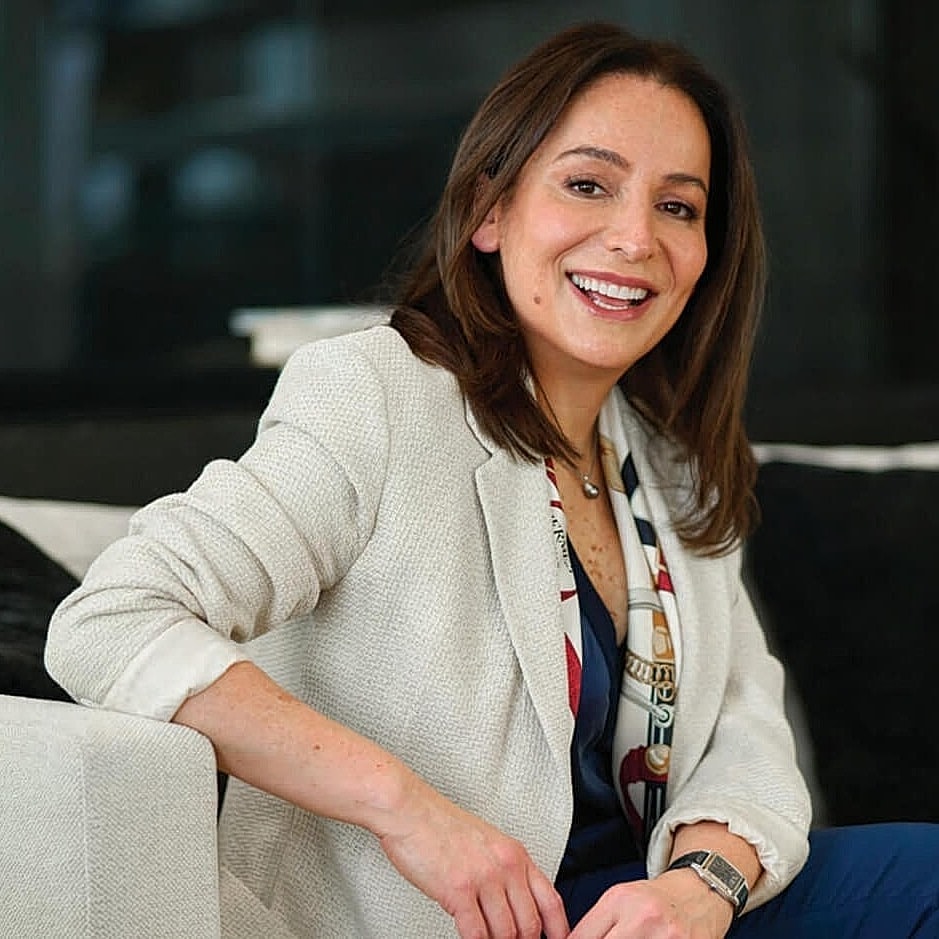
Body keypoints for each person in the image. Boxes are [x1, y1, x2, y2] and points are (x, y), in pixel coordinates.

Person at [45, 21, 939, 939]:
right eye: (587, 185)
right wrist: (405, 807)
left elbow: (744, 734)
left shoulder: (670, 461)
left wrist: (696, 888)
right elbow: (115, 619)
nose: (634, 237)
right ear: (490, 212)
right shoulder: (378, 394)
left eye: (678, 206)